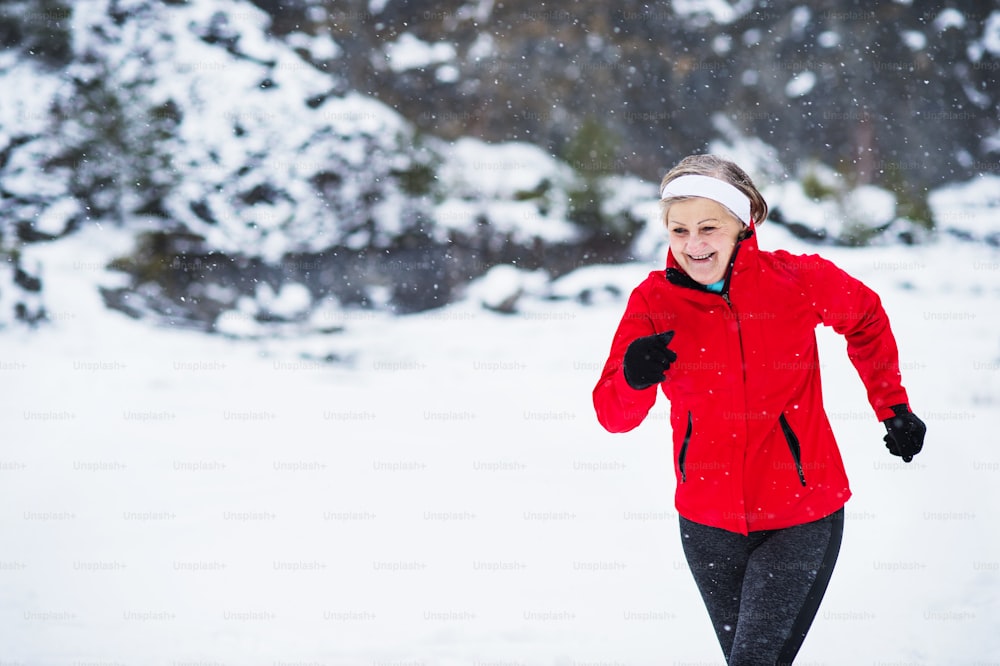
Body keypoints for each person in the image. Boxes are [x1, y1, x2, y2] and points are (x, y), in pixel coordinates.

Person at [592, 154, 926, 665]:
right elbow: (614, 415)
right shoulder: (652, 301)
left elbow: (866, 318)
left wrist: (892, 405)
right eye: (679, 230)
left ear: (742, 224)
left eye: (708, 227)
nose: (693, 244)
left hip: (801, 512)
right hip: (706, 525)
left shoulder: (797, 280)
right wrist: (635, 377)